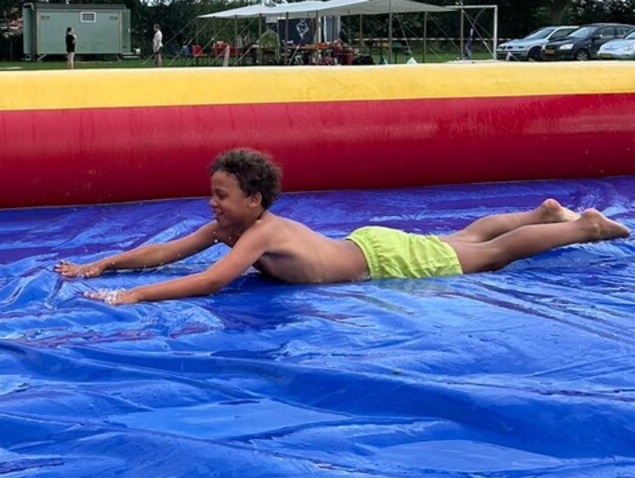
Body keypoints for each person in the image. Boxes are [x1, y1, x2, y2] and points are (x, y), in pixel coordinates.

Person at [55, 147, 629, 306]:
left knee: (489, 255)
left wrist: (132, 296)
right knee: (462, 239)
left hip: (380, 259)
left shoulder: (259, 232)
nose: (212, 205)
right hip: (368, 244)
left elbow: (210, 281)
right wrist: (101, 264)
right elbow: (168, 252)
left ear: (254, 200)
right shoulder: (234, 228)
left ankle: (584, 229)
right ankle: (543, 213)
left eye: (221, 197)